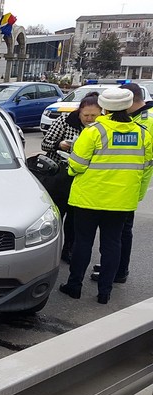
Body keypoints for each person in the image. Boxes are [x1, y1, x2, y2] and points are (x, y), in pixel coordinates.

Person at [58, 87, 153, 304]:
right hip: (121, 201)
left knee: (83, 242)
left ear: (105, 108)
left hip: (88, 198)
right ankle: (104, 292)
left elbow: (76, 165)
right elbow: (147, 168)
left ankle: (74, 286)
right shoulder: (142, 133)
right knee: (112, 244)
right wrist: (136, 195)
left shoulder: (94, 132)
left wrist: (73, 169)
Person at [91, 83, 153, 283]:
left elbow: (146, 163)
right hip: (124, 186)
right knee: (117, 233)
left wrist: (138, 191)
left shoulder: (147, 121)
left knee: (122, 233)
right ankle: (113, 265)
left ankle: (119, 271)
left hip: (128, 187)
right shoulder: (136, 118)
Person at [40, 92, 101, 263]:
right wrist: (60, 144)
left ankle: (68, 250)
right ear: (79, 112)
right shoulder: (64, 121)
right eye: (86, 115)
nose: (89, 119)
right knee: (55, 217)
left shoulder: (100, 128)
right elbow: (45, 143)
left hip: (83, 179)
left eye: (94, 115)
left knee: (75, 221)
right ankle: (48, 251)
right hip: (59, 176)